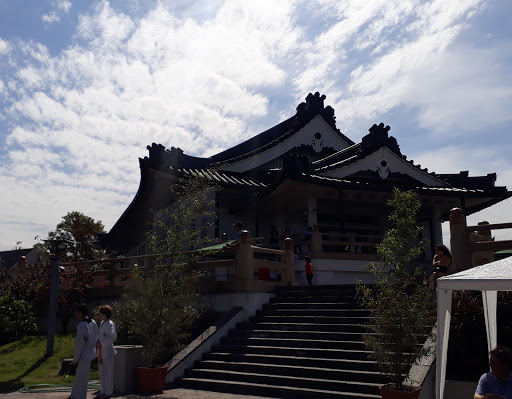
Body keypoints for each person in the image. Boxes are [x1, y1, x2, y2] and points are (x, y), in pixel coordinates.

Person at [68, 304, 98, 399]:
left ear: (80, 313)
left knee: (82, 378)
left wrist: (75, 359)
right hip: (91, 351)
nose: (76, 314)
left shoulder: (81, 325)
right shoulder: (93, 322)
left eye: (77, 312)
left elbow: (79, 343)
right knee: (79, 375)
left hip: (84, 353)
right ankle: (74, 395)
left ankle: (80, 396)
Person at [95, 305, 117, 399]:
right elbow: (100, 336)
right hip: (100, 352)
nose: (99, 315)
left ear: (105, 314)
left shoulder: (110, 324)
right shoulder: (101, 323)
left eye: (100, 313)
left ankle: (108, 392)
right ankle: (102, 391)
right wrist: (97, 341)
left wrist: (102, 343)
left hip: (108, 352)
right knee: (101, 372)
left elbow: (113, 337)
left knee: (108, 373)